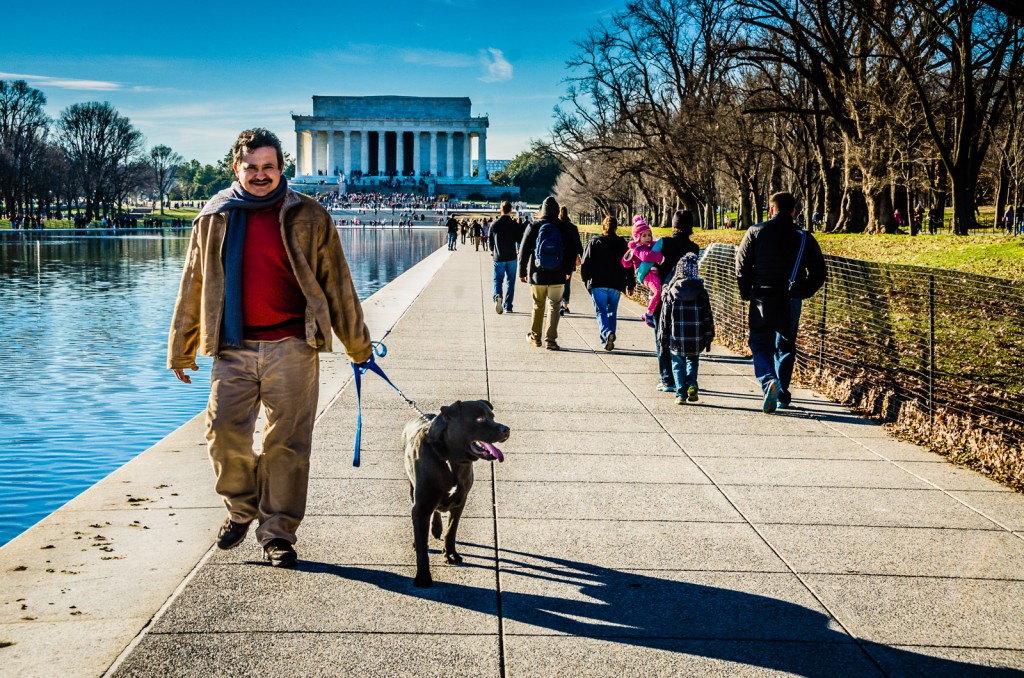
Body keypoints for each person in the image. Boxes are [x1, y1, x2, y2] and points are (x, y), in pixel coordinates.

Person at [167, 128, 373, 568]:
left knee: (288, 445)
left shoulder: (310, 214)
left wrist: (359, 346)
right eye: (251, 167)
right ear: (236, 169)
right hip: (233, 346)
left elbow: (337, 284)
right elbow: (193, 284)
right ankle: (241, 508)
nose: (260, 176)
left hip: (292, 346)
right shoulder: (214, 216)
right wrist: (181, 348)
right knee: (223, 435)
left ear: (283, 168)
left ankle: (277, 532)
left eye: (269, 167)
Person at [735, 191, 826, 414]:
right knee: (786, 344)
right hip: (790, 297)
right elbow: (819, 272)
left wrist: (746, 292)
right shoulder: (804, 237)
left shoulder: (755, 232)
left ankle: (768, 381)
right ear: (794, 211)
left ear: (771, 209)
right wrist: (803, 292)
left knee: (759, 342)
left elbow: (742, 266)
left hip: (762, 296)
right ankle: (782, 392)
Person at [652, 211, 700, 391]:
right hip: (687, 299)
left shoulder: (663, 243)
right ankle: (686, 379)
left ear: (673, 225)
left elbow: (649, 265)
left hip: (664, 297)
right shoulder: (694, 248)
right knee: (684, 341)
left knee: (662, 337)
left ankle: (667, 379)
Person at [518, 196, 575, 350]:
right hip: (558, 273)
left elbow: (523, 252)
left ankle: (535, 337)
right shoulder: (565, 227)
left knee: (538, 305)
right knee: (555, 305)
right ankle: (551, 340)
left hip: (537, 274)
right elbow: (571, 251)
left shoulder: (533, 226)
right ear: (557, 211)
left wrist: (522, 272)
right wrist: (568, 270)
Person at [658, 253, 715, 405]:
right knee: (693, 361)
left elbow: (665, 317)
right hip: (696, 338)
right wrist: (708, 336)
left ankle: (681, 394)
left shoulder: (672, 292)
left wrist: (662, 336)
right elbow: (707, 316)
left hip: (677, 337)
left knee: (677, 364)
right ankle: (692, 384)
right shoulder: (701, 292)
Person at [580, 215, 633, 351]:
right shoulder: (622, 244)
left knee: (601, 312)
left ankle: (606, 333)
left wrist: (586, 280)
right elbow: (629, 265)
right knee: (611, 312)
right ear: (616, 227)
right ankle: (607, 338)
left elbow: (585, 264)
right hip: (616, 283)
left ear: (603, 226)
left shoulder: (594, 242)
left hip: (598, 283)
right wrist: (630, 284)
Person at [621, 216, 664, 328]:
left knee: (657, 291)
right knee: (657, 292)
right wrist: (660, 258)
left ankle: (651, 311)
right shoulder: (638, 249)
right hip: (647, 275)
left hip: (652, 273)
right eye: (644, 235)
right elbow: (647, 257)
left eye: (649, 235)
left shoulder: (647, 245)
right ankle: (648, 314)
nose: (648, 238)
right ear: (637, 237)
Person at [490, 201, 523, 314]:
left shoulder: (495, 224)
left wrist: (491, 250)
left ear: (501, 210)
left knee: (497, 280)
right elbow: (520, 240)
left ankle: (498, 296)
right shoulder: (514, 224)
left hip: (499, 257)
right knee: (510, 281)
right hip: (511, 257)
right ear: (511, 210)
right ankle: (508, 305)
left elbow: (490, 239)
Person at [557, 206, 582, 316]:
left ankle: (556, 304)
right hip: (570, 258)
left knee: (556, 282)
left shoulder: (556, 226)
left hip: (557, 258)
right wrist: (581, 256)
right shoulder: (573, 227)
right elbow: (578, 244)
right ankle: (565, 305)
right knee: (567, 283)